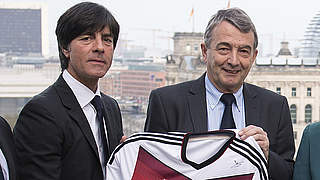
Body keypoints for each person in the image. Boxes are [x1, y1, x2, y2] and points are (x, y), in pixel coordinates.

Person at [144, 7, 295, 180]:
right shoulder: (166, 103)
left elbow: (289, 173)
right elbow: (150, 172)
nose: (233, 61)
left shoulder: (276, 106)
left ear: (254, 57)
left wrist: (267, 156)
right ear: (204, 52)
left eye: (244, 51)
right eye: (224, 49)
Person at [13, 2, 124, 180]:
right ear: (65, 48)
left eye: (107, 40)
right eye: (87, 38)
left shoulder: (110, 107)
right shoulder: (42, 112)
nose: (99, 47)